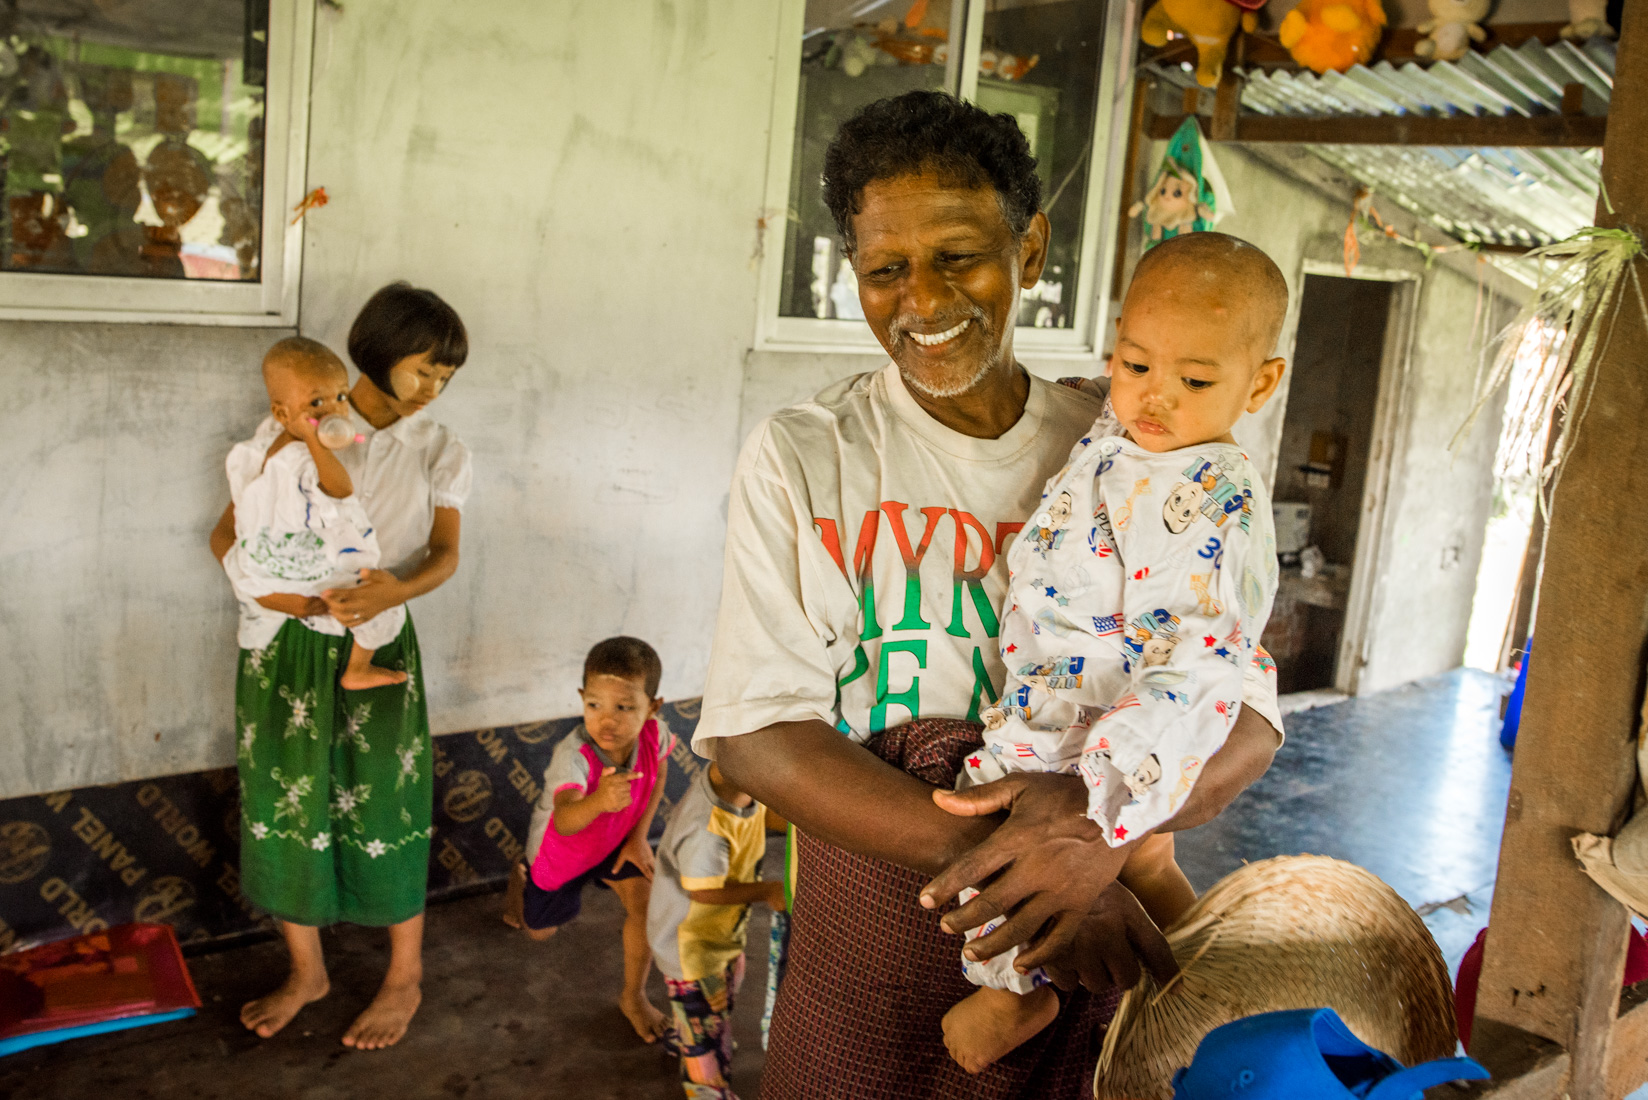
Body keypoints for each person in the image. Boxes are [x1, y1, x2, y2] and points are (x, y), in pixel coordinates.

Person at [693, 90, 1287, 1099]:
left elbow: (1243, 724)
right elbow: (757, 736)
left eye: (958, 256)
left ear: (1031, 248)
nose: (922, 300)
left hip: (1083, 898)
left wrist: (1086, 839)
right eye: (886, 269)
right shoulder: (809, 456)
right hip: (880, 923)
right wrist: (1034, 864)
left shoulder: (1138, 451)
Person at [943, 231, 1288, 1072]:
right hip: (1074, 676)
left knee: (993, 809)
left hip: (1114, 707)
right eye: (1136, 365)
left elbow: (1197, 663)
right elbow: (1117, 413)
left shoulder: (1212, 495)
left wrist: (1096, 790)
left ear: (1261, 383)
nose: (1154, 397)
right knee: (1151, 858)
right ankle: (1211, 977)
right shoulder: (1135, 423)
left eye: (1195, 380)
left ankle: (1009, 991)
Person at [210, 281, 472, 1050]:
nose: (432, 390)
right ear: (377, 355)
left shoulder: (439, 449)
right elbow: (225, 536)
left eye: (446, 378)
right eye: (423, 369)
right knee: (290, 796)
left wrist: (397, 587)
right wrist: (289, 604)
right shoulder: (294, 430)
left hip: (380, 635)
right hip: (287, 643)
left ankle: (403, 976)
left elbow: (446, 555)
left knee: (385, 797)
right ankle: (307, 972)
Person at [501, 636, 673, 1044]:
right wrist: (599, 800)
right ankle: (519, 878)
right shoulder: (574, 755)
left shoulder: (654, 734)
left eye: (624, 707)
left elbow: (661, 772)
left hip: (614, 843)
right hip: (561, 855)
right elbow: (565, 820)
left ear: (653, 708)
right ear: (581, 698)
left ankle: (633, 998)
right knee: (539, 932)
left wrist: (638, 836)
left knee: (645, 904)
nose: (606, 721)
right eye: (594, 705)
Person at [224, 337, 410, 694]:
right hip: (308, 573)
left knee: (246, 571)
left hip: (264, 570)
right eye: (316, 402)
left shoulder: (267, 443)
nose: (335, 411)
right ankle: (359, 667)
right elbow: (340, 491)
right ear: (282, 414)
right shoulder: (305, 458)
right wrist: (316, 445)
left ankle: (265, 623)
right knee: (383, 604)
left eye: (341, 397)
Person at [646, 760, 786, 1099]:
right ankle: (705, 1084)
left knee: (724, 990)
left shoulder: (740, 782)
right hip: (690, 949)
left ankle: (695, 1032)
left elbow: (764, 816)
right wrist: (768, 891)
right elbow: (703, 891)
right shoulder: (706, 830)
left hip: (718, 936)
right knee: (704, 1015)